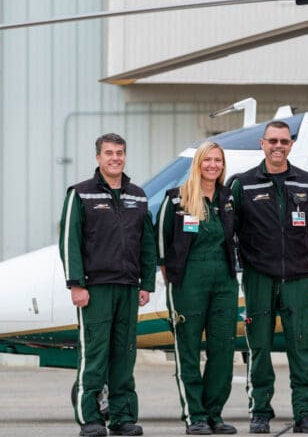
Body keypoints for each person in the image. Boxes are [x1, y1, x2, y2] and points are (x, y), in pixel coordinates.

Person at [229, 120, 308, 434]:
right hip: (259, 278)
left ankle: (306, 414)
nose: (278, 146)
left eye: (284, 141)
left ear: (291, 145)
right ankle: (260, 412)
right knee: (259, 347)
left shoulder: (305, 182)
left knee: (301, 346)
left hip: (296, 277)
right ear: (262, 143)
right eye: (273, 141)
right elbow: (233, 231)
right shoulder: (243, 183)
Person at [60, 133, 157, 437]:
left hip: (128, 287)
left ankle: (123, 417)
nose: (115, 158)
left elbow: (148, 244)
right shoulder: (81, 193)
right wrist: (76, 284)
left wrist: (147, 283)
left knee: (124, 354)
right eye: (109, 153)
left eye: (120, 153)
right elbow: (69, 242)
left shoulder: (138, 195)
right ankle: (90, 418)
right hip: (95, 288)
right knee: (95, 354)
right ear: (98, 157)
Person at [157, 141, 239, 435]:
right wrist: (172, 275)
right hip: (189, 282)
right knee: (188, 349)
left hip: (224, 282)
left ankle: (214, 413)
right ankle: (195, 416)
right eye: (208, 160)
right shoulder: (177, 199)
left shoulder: (228, 198)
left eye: (218, 160)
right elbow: (162, 242)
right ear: (198, 164)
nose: (213, 165)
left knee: (222, 348)